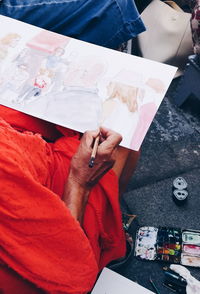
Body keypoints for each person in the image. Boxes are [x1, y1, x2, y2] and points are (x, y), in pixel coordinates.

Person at [0, 1, 145, 293]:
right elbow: (71, 278)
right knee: (125, 132)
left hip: (19, 150)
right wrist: (80, 181)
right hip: (44, 231)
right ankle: (110, 237)